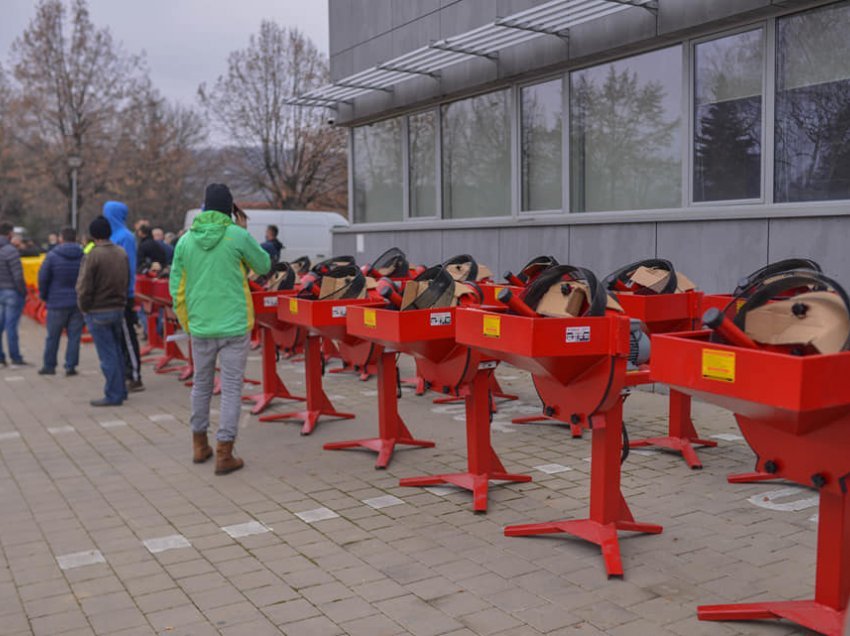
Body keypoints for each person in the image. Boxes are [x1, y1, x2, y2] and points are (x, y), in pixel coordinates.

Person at [171, 184, 271, 474]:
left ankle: (199, 445)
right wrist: (243, 229)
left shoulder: (185, 241)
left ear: (204, 208)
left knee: (201, 385)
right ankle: (225, 453)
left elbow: (176, 288)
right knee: (230, 389)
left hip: (200, 326)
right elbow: (263, 266)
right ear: (230, 208)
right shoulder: (237, 236)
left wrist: (188, 322)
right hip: (234, 325)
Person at [76, 217, 129, 406]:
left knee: (107, 355)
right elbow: (126, 279)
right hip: (118, 308)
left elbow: (84, 287)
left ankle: (113, 394)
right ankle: (121, 390)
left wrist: (84, 307)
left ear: (93, 235)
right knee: (117, 351)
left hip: (97, 311)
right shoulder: (121, 252)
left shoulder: (93, 256)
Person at [102, 201, 144, 392]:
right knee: (118, 338)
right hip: (111, 294)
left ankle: (135, 376)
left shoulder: (125, 237)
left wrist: (129, 292)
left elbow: (130, 267)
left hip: (123, 294)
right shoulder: (110, 236)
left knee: (127, 336)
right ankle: (124, 372)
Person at [37, 227, 84, 376]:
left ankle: (49, 366)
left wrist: (44, 296)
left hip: (56, 301)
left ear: (61, 238)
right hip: (77, 301)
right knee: (74, 337)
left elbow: (43, 278)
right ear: (75, 238)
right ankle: (70, 366)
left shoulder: (52, 256)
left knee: (53, 336)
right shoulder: (83, 256)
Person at [0, 221, 27, 368]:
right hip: (11, 292)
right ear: (10, 233)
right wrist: (23, 292)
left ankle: (1, 358)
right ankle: (15, 357)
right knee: (11, 327)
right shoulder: (11, 250)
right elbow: (17, 276)